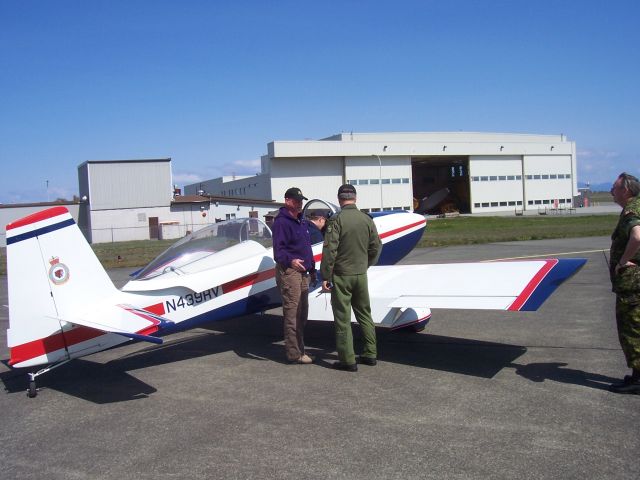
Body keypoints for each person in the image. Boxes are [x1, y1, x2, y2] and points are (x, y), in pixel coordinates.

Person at [320, 184, 382, 371]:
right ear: (355, 198)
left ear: (340, 199)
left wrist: (325, 275)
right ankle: (370, 353)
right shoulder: (366, 219)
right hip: (361, 275)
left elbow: (330, 250)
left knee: (343, 318)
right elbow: (376, 247)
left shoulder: (336, 220)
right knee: (365, 314)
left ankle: (347, 360)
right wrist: (366, 264)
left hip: (342, 276)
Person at [272, 187, 316, 364]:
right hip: (290, 272)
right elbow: (278, 252)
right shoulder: (281, 222)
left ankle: (300, 349)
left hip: (304, 272)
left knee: (302, 313)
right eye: (297, 201)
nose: (300, 204)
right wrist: (291, 262)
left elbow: (307, 248)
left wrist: (312, 269)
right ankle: (294, 354)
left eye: (301, 201)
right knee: (292, 313)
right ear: (288, 201)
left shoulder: (301, 221)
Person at [608, 172, 640, 394]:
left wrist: (623, 260)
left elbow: (637, 236)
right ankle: (637, 376)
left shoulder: (631, 211)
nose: (612, 191)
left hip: (633, 285)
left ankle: (639, 381)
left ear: (626, 190)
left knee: (632, 330)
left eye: (615, 187)